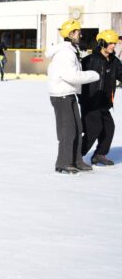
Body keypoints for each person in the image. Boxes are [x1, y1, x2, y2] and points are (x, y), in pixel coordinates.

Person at [46, 19, 99, 174]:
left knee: (77, 128)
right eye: (77, 31)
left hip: (68, 93)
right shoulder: (65, 53)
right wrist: (94, 75)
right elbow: (71, 76)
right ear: (70, 34)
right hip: (61, 95)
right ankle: (63, 162)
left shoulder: (71, 50)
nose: (80, 34)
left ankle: (76, 160)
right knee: (67, 130)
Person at [80, 29, 122, 166]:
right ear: (102, 42)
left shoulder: (114, 61)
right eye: (110, 43)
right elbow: (78, 79)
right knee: (93, 129)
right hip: (91, 102)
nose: (113, 46)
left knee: (109, 128)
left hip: (104, 103)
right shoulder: (89, 60)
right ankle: (76, 155)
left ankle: (99, 155)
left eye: (114, 43)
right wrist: (82, 99)